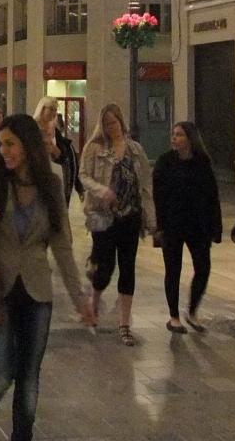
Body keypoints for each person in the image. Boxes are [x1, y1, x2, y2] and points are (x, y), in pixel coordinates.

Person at [0, 114, 94, 441]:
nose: (4, 150)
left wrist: (79, 297)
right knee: (2, 373)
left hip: (37, 291)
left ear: (27, 145)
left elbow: (62, 244)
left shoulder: (51, 183)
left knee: (29, 376)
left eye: (10, 144)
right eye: (1, 144)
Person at [78, 103, 155, 345]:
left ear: (121, 122)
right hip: (104, 215)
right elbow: (83, 175)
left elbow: (145, 185)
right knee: (105, 265)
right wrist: (101, 190)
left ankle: (124, 323)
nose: (112, 127)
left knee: (127, 266)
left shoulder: (135, 150)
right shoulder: (94, 148)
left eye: (114, 122)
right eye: (107, 124)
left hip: (130, 216)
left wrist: (151, 218)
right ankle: (94, 301)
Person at [152, 121, 222, 335]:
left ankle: (192, 311)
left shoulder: (202, 162)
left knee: (203, 268)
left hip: (197, 224)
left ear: (190, 139)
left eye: (180, 134)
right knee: (173, 269)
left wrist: (215, 227)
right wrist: (159, 225)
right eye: (174, 134)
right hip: (172, 223)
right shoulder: (165, 162)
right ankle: (173, 317)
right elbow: (158, 196)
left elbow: (212, 195)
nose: (174, 138)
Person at [32, 96, 82, 208]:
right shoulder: (32, 127)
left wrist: (55, 150)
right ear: (42, 108)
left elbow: (63, 155)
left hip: (55, 172)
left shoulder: (55, 129)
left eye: (55, 109)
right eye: (51, 109)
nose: (53, 112)